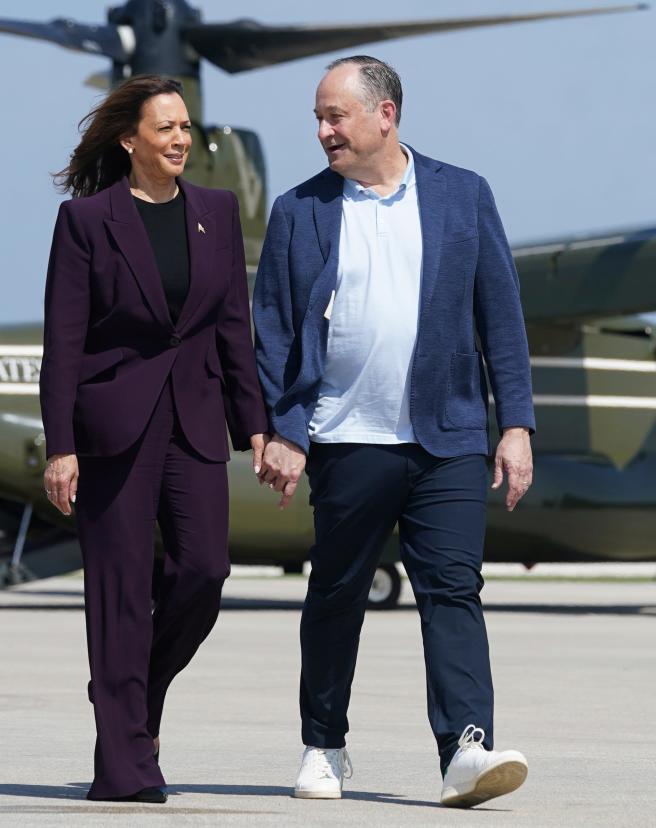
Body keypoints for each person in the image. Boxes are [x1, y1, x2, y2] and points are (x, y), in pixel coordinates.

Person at [253, 55, 535, 808]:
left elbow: (500, 321)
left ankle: (464, 750)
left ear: (386, 114)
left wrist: (516, 425)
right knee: (337, 594)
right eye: (318, 117)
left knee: (452, 589)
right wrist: (282, 429)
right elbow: (275, 333)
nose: (322, 131)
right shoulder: (300, 210)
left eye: (335, 116)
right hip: (346, 437)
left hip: (448, 437)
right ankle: (323, 744)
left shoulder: (462, 197)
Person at [39, 75, 268, 803]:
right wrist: (61, 444)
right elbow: (64, 343)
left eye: (185, 127)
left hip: (195, 422)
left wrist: (254, 425)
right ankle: (126, 769)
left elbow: (234, 324)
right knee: (118, 595)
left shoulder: (217, 212)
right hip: (113, 429)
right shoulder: (87, 221)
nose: (179, 139)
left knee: (205, 573)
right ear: (130, 139)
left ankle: (136, 698)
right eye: (164, 127)